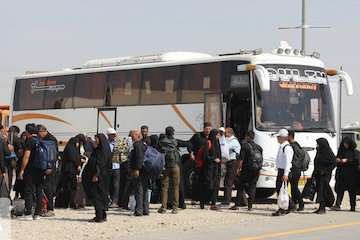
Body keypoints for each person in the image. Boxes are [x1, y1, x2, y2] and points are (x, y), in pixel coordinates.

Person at [157, 126, 192, 214]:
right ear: (173, 133)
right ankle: (175, 208)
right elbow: (188, 143)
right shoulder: (176, 141)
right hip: (175, 166)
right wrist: (191, 151)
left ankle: (163, 207)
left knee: (165, 187)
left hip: (166, 166)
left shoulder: (161, 142)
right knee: (176, 187)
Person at [230, 131, 262, 211]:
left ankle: (237, 204)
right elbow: (261, 160)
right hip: (256, 169)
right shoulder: (259, 147)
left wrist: (238, 169)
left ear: (247, 136)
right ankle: (250, 206)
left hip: (246, 169)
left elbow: (241, 159)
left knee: (241, 186)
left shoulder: (245, 146)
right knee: (253, 187)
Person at [82, 134, 111, 223]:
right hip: (100, 176)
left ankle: (99, 216)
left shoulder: (101, 151)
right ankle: (102, 215)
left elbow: (100, 164)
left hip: (98, 178)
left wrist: (96, 175)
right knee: (100, 195)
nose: (95, 141)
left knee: (96, 196)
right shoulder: (100, 149)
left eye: (97, 139)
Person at [18, 125, 44, 220]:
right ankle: (37, 213)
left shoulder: (30, 141)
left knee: (28, 190)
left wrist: (22, 170)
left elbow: (26, 157)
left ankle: (28, 213)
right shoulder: (41, 140)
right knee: (39, 190)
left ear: (28, 132)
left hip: (31, 169)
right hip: (41, 169)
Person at [332, 137, 360, 212]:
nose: (345, 145)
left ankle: (353, 206)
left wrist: (347, 160)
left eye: (346, 144)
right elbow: (336, 160)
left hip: (352, 176)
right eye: (344, 143)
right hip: (342, 175)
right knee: (340, 191)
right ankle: (337, 205)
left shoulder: (355, 152)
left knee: (352, 192)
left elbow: (356, 162)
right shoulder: (341, 151)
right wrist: (338, 160)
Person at [37, 125, 59, 217]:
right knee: (45, 187)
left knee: (48, 188)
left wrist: (49, 167)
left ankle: (50, 209)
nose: (38, 136)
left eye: (39, 133)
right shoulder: (48, 138)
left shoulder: (50, 139)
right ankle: (44, 207)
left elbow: (51, 155)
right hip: (46, 167)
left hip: (48, 168)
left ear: (43, 131)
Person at [61, 134, 87, 209]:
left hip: (69, 169)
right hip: (69, 170)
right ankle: (70, 203)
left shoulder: (71, 145)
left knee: (70, 187)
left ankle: (69, 203)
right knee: (71, 187)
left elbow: (75, 155)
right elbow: (73, 156)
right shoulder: (73, 144)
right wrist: (78, 163)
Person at [272, 129, 294, 216]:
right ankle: (289, 205)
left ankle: (283, 208)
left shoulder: (287, 148)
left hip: (284, 171)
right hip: (281, 171)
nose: (277, 138)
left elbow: (288, 162)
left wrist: (285, 174)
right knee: (280, 190)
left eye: (278, 137)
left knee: (281, 190)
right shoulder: (282, 146)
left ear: (282, 137)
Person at [190, 122, 212, 205]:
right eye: (207, 129)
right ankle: (194, 198)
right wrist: (191, 152)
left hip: (207, 163)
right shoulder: (198, 136)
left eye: (209, 129)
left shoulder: (211, 137)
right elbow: (190, 144)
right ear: (204, 129)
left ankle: (205, 199)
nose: (208, 131)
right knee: (196, 180)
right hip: (198, 162)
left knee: (206, 181)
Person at [313, 138, 336, 214]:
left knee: (323, 190)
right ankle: (321, 207)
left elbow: (333, 163)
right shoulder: (319, 152)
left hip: (325, 175)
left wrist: (326, 171)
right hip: (318, 175)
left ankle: (322, 208)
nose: (317, 146)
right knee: (320, 190)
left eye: (318, 144)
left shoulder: (328, 153)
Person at [129, 130, 149, 216]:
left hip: (139, 171)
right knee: (144, 190)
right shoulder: (143, 144)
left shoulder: (137, 145)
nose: (131, 137)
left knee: (139, 190)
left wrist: (137, 169)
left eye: (132, 136)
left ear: (137, 136)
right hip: (145, 170)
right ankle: (145, 209)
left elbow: (139, 157)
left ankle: (139, 210)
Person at [222, 127, 241, 206]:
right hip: (231, 163)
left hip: (233, 163)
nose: (224, 134)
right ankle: (242, 200)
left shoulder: (233, 141)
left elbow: (226, 147)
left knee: (228, 182)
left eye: (225, 133)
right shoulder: (229, 140)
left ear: (230, 133)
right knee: (237, 182)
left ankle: (227, 201)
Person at [288, 130, 305, 211]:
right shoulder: (298, 145)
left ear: (290, 136)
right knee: (293, 187)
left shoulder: (292, 146)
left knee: (294, 188)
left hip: (293, 169)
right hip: (298, 169)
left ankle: (301, 204)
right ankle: (294, 204)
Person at [107, 128, 121, 208]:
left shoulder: (118, 143)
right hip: (108, 167)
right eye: (112, 135)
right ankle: (108, 200)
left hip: (116, 166)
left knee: (116, 185)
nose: (114, 136)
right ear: (108, 135)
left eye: (114, 134)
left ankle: (115, 202)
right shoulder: (105, 143)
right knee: (108, 185)